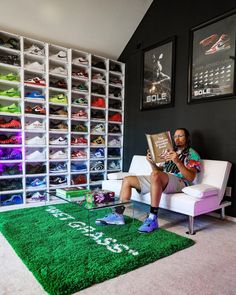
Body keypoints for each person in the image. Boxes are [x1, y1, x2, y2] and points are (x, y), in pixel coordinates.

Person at [96, 128, 201, 233]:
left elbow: (190, 177)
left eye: (180, 136)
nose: (177, 139)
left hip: (181, 182)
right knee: (127, 180)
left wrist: (177, 162)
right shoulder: (170, 151)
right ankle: (118, 215)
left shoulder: (192, 154)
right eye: (175, 136)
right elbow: (158, 172)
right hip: (164, 179)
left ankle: (153, 218)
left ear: (187, 138)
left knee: (155, 175)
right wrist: (151, 162)